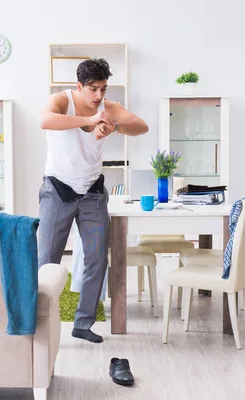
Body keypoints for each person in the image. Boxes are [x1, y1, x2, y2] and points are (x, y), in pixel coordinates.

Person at [38, 58, 148, 343]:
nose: (99, 96)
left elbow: (141, 126)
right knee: (47, 260)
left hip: (92, 193)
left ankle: (83, 324)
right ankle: (37, 323)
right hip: (57, 190)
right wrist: (89, 120)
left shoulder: (108, 107)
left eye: (103, 88)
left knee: (97, 259)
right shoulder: (62, 101)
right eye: (93, 89)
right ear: (79, 86)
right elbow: (45, 120)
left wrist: (114, 127)